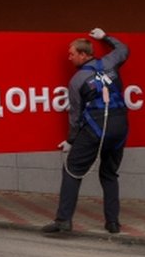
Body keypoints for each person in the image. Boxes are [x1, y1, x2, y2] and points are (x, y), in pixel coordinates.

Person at [42, 27, 130, 235]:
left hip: (96, 130)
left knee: (72, 170)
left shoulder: (77, 80)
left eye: (72, 54)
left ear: (83, 54)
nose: (69, 57)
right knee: (109, 174)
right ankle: (113, 223)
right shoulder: (110, 62)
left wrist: (71, 140)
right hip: (120, 128)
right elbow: (124, 49)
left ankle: (63, 221)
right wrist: (105, 37)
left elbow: (75, 114)